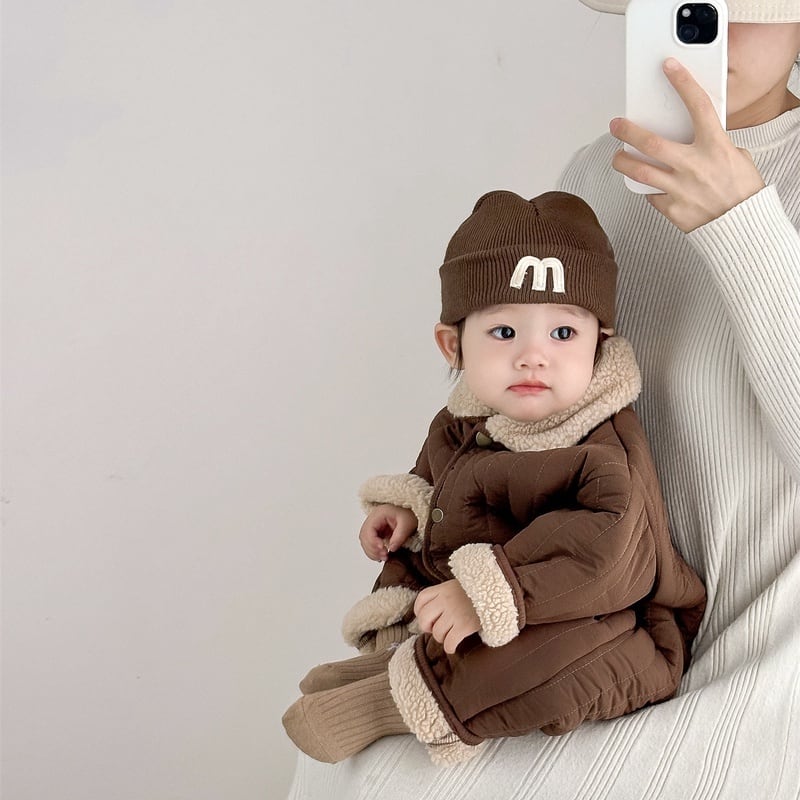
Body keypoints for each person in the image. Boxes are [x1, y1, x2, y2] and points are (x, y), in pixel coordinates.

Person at [286, 1, 800, 798]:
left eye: (754, 3)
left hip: (758, 659)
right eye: (693, 0)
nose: (717, 24)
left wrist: (742, 220)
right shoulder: (600, 174)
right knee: (352, 773)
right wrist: (426, 503)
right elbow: (525, 397)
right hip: (582, 607)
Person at [282, 189, 706, 765]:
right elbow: (439, 474)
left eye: (563, 334)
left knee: (555, 663)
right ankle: (399, 656)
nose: (534, 356)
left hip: (616, 620)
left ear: (598, 344)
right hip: (501, 603)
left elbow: (607, 556)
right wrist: (409, 508)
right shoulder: (465, 419)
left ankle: (394, 701)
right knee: (441, 583)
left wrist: (489, 593)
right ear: (453, 346)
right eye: (505, 333)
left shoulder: (602, 446)